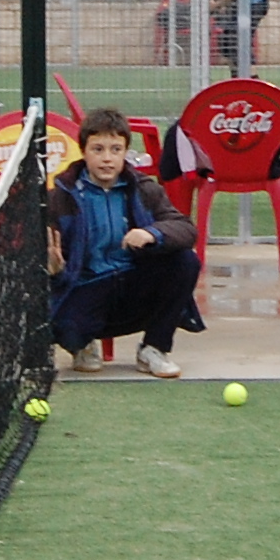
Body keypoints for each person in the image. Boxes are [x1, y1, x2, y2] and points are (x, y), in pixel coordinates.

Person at [48, 106, 205, 378]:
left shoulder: (144, 189)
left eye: (116, 149)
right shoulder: (60, 197)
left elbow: (186, 229)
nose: (107, 159)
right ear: (83, 151)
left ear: (125, 152)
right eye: (98, 149)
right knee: (62, 324)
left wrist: (152, 233)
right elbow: (29, 255)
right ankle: (82, 344)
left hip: (133, 286)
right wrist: (53, 269)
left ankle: (154, 348)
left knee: (185, 261)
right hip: (85, 288)